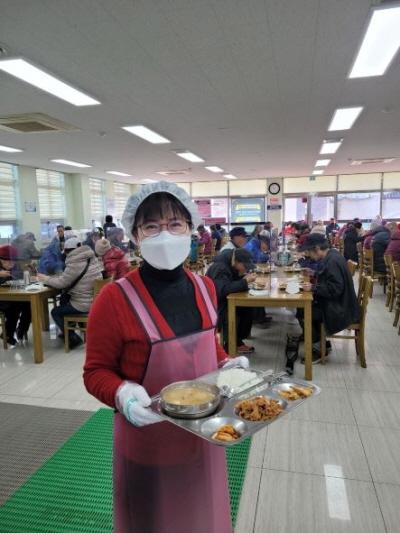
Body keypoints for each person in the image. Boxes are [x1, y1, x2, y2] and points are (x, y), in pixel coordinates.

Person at [84, 181, 241, 533]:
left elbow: (205, 342)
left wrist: (226, 362)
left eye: (175, 224)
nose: (165, 235)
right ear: (135, 235)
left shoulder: (205, 286)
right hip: (150, 445)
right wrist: (121, 393)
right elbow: (95, 371)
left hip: (207, 437)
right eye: (152, 226)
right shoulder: (114, 299)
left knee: (204, 519)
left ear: (191, 229)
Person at [297, 234, 361, 363]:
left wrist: (313, 287)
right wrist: (314, 273)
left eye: (309, 251)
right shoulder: (333, 255)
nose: (309, 255)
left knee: (305, 311)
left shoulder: (332, 261)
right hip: (344, 304)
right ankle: (320, 342)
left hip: (340, 309)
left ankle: (318, 349)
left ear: (317, 248)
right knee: (306, 307)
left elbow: (335, 289)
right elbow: (330, 277)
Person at [38, 237, 103, 349]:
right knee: (64, 298)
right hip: (95, 300)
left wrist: (46, 279)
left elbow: (62, 283)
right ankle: (68, 331)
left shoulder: (75, 262)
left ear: (68, 251)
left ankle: (73, 338)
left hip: (84, 304)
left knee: (55, 312)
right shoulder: (92, 258)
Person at [207, 248, 256, 354]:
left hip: (221, 300)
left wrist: (242, 278)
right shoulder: (221, 268)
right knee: (240, 310)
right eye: (245, 266)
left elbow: (229, 282)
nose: (246, 269)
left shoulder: (229, 263)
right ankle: (230, 345)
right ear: (237, 261)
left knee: (248, 307)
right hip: (215, 305)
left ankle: (237, 342)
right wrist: (244, 281)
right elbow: (223, 290)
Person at [0, 245, 32, 345]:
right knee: (13, 307)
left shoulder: (14, 265)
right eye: (9, 261)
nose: (12, 264)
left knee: (29, 304)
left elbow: (19, 276)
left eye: (13, 261)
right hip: (2, 299)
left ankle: (21, 330)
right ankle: (8, 334)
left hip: (13, 296)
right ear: (1, 259)